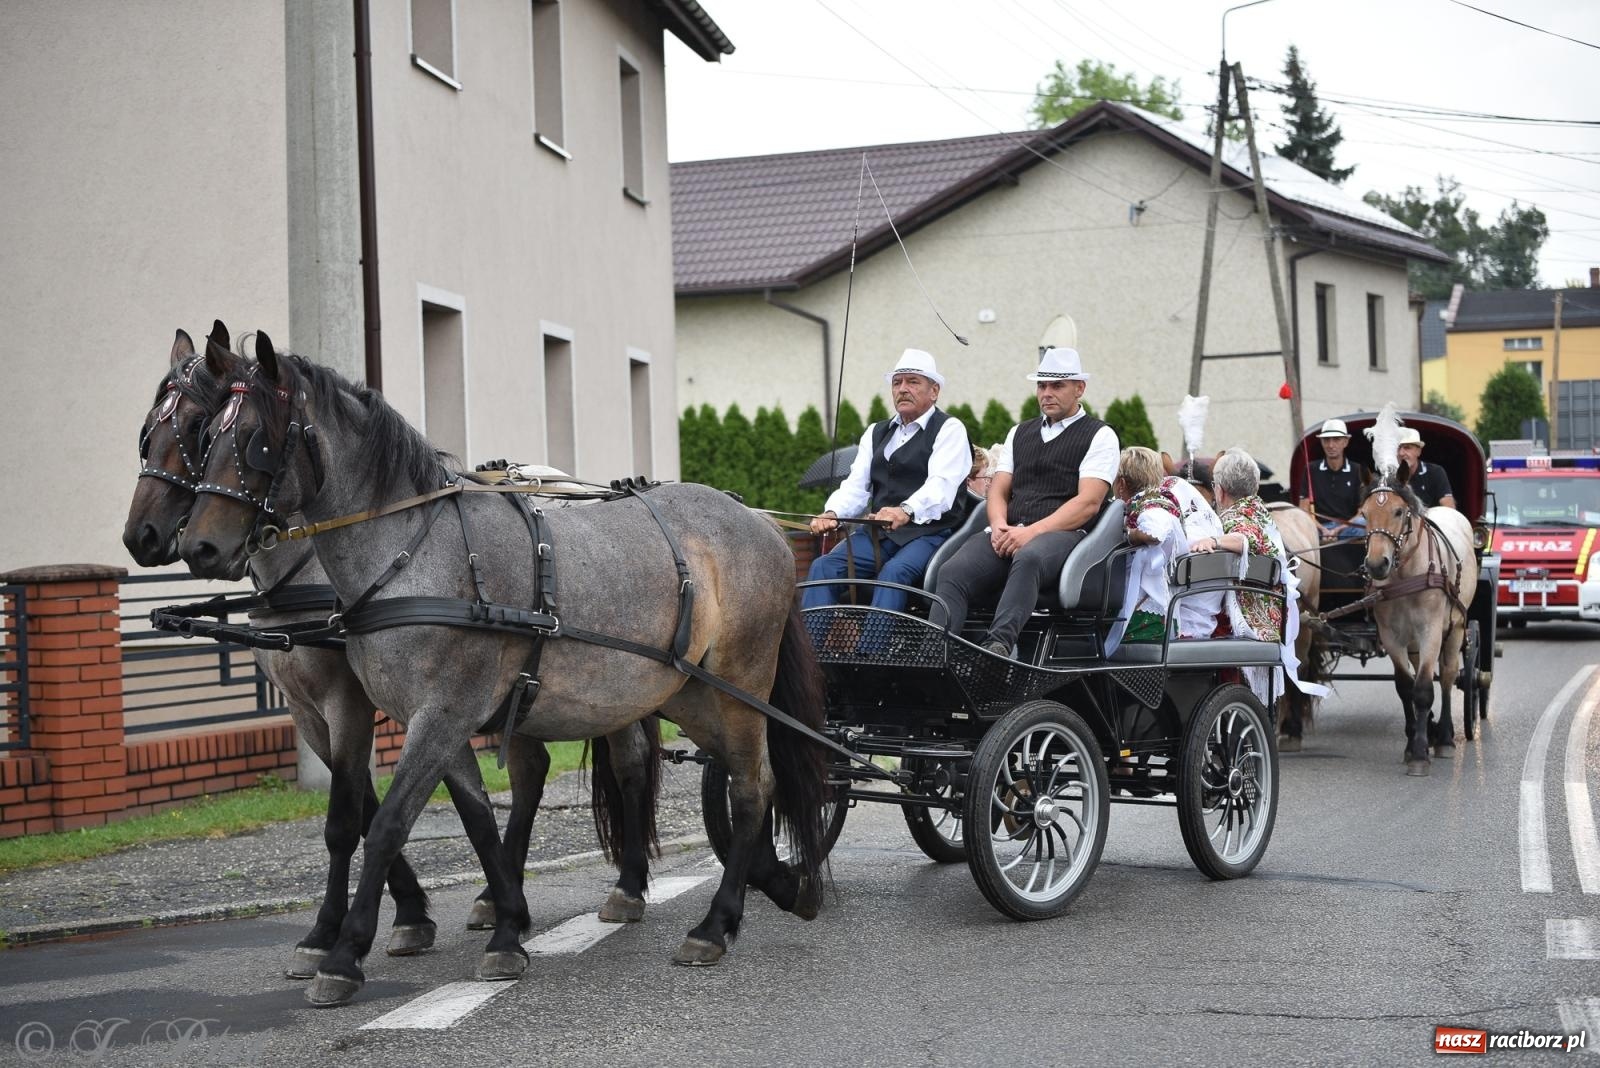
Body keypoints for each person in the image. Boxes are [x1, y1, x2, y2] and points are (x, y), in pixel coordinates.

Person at [930, 347, 1118, 656]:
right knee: (953, 571)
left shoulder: (1100, 435)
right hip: (1010, 529)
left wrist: (1031, 532)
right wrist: (998, 526)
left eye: (1057, 385)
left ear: (1079, 388)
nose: (1047, 393)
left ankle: (998, 645)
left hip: (1067, 535)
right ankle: (936, 650)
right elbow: (998, 490)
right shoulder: (1019, 432)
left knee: (1029, 558)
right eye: (1041, 386)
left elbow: (1089, 503)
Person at [803, 348, 971, 618]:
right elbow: (855, 486)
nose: (902, 389)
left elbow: (941, 486)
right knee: (823, 568)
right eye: (897, 382)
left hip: (929, 534)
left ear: (934, 391)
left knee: (894, 573)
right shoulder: (875, 432)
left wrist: (905, 510)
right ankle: (809, 645)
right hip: (878, 535)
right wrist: (833, 513)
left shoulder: (950, 429)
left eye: (913, 382)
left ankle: (873, 645)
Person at [1189, 449, 1328, 707]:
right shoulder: (1260, 513)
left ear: (1220, 491)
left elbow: (1246, 537)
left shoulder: (1238, 518)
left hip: (1250, 622)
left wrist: (1214, 540)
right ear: (1254, 487)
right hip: (1272, 616)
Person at [1106, 447, 1187, 653]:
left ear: (1122, 483)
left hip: (1143, 615)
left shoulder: (1152, 503)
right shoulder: (1153, 501)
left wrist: (1127, 535)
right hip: (1151, 609)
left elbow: (1155, 533)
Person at [1306, 418, 1368, 541]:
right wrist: (1323, 530)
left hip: (1347, 529)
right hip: (1317, 529)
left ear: (1346, 442)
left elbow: (1362, 511)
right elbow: (1304, 510)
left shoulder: (1357, 470)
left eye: (1336, 439)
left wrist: (1338, 530)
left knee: (1363, 522)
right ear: (1321, 442)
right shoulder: (1310, 469)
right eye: (1326, 440)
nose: (1331, 445)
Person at [1397, 427, 1456, 509]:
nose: (1401, 453)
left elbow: (1449, 507)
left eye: (1407, 448)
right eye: (1398, 448)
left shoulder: (1435, 472)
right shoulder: (1388, 476)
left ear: (1418, 451)